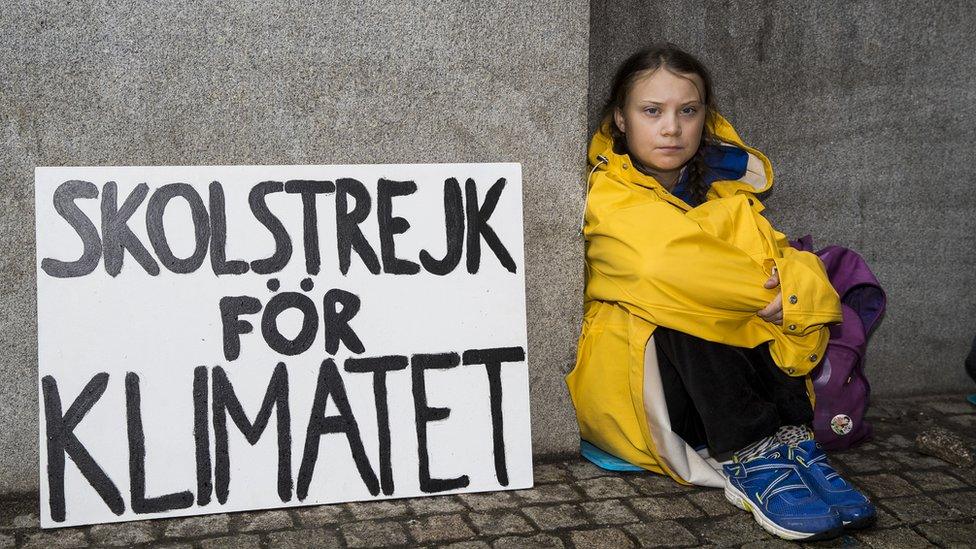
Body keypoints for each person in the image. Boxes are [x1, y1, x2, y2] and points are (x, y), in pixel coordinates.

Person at [567, 44, 876, 541]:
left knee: (737, 295)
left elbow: (799, 266)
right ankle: (752, 456)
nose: (672, 128)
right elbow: (660, 265)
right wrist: (777, 297)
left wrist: (792, 292)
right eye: (652, 111)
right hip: (652, 399)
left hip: (732, 391)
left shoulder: (726, 192)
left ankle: (792, 443)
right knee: (684, 302)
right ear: (620, 121)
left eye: (687, 111)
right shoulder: (608, 193)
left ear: (704, 117)